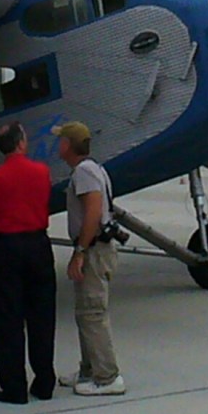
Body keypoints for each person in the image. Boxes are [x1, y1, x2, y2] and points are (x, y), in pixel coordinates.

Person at [0, 121, 56, 404]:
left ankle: (14, 386)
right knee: (42, 317)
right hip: (38, 244)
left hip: (7, 246)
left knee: (7, 320)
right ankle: (44, 380)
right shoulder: (41, 172)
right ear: (22, 142)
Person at [52, 121, 125, 396]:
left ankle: (107, 377)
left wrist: (79, 252)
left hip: (94, 250)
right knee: (86, 313)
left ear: (68, 145)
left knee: (93, 314)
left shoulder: (84, 173)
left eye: (60, 140)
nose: (57, 145)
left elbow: (92, 213)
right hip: (96, 248)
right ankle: (89, 369)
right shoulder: (92, 169)